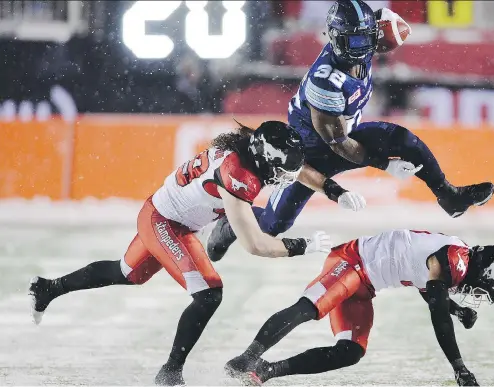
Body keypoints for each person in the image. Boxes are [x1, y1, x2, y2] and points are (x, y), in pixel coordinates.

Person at [28, 121, 354, 386]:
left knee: (127, 274)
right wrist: (302, 245)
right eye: (280, 170)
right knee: (210, 293)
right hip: (166, 222)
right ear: (265, 158)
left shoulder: (248, 144)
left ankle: (49, 288)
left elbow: (293, 169)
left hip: (164, 213)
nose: (284, 178)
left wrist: (331, 190)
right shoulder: (238, 175)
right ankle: (170, 373)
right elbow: (255, 244)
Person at [206, 0, 494, 262]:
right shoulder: (326, 81)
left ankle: (449, 196)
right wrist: (384, 164)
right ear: (335, 38)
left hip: (346, 135)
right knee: (274, 225)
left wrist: (388, 25)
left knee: (404, 140)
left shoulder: (367, 38)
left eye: (366, 38)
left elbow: (391, 28)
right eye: (354, 39)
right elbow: (339, 144)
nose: (360, 47)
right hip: (309, 153)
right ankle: (232, 222)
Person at [225, 229, 494, 386]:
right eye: (482, 289)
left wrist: (455, 309)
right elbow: (437, 316)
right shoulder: (455, 260)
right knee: (310, 309)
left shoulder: (456, 257)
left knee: (350, 352)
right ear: (484, 273)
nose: (475, 294)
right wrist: (459, 368)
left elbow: (428, 289)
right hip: (352, 262)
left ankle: (265, 370)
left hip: (366, 286)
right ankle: (246, 358)